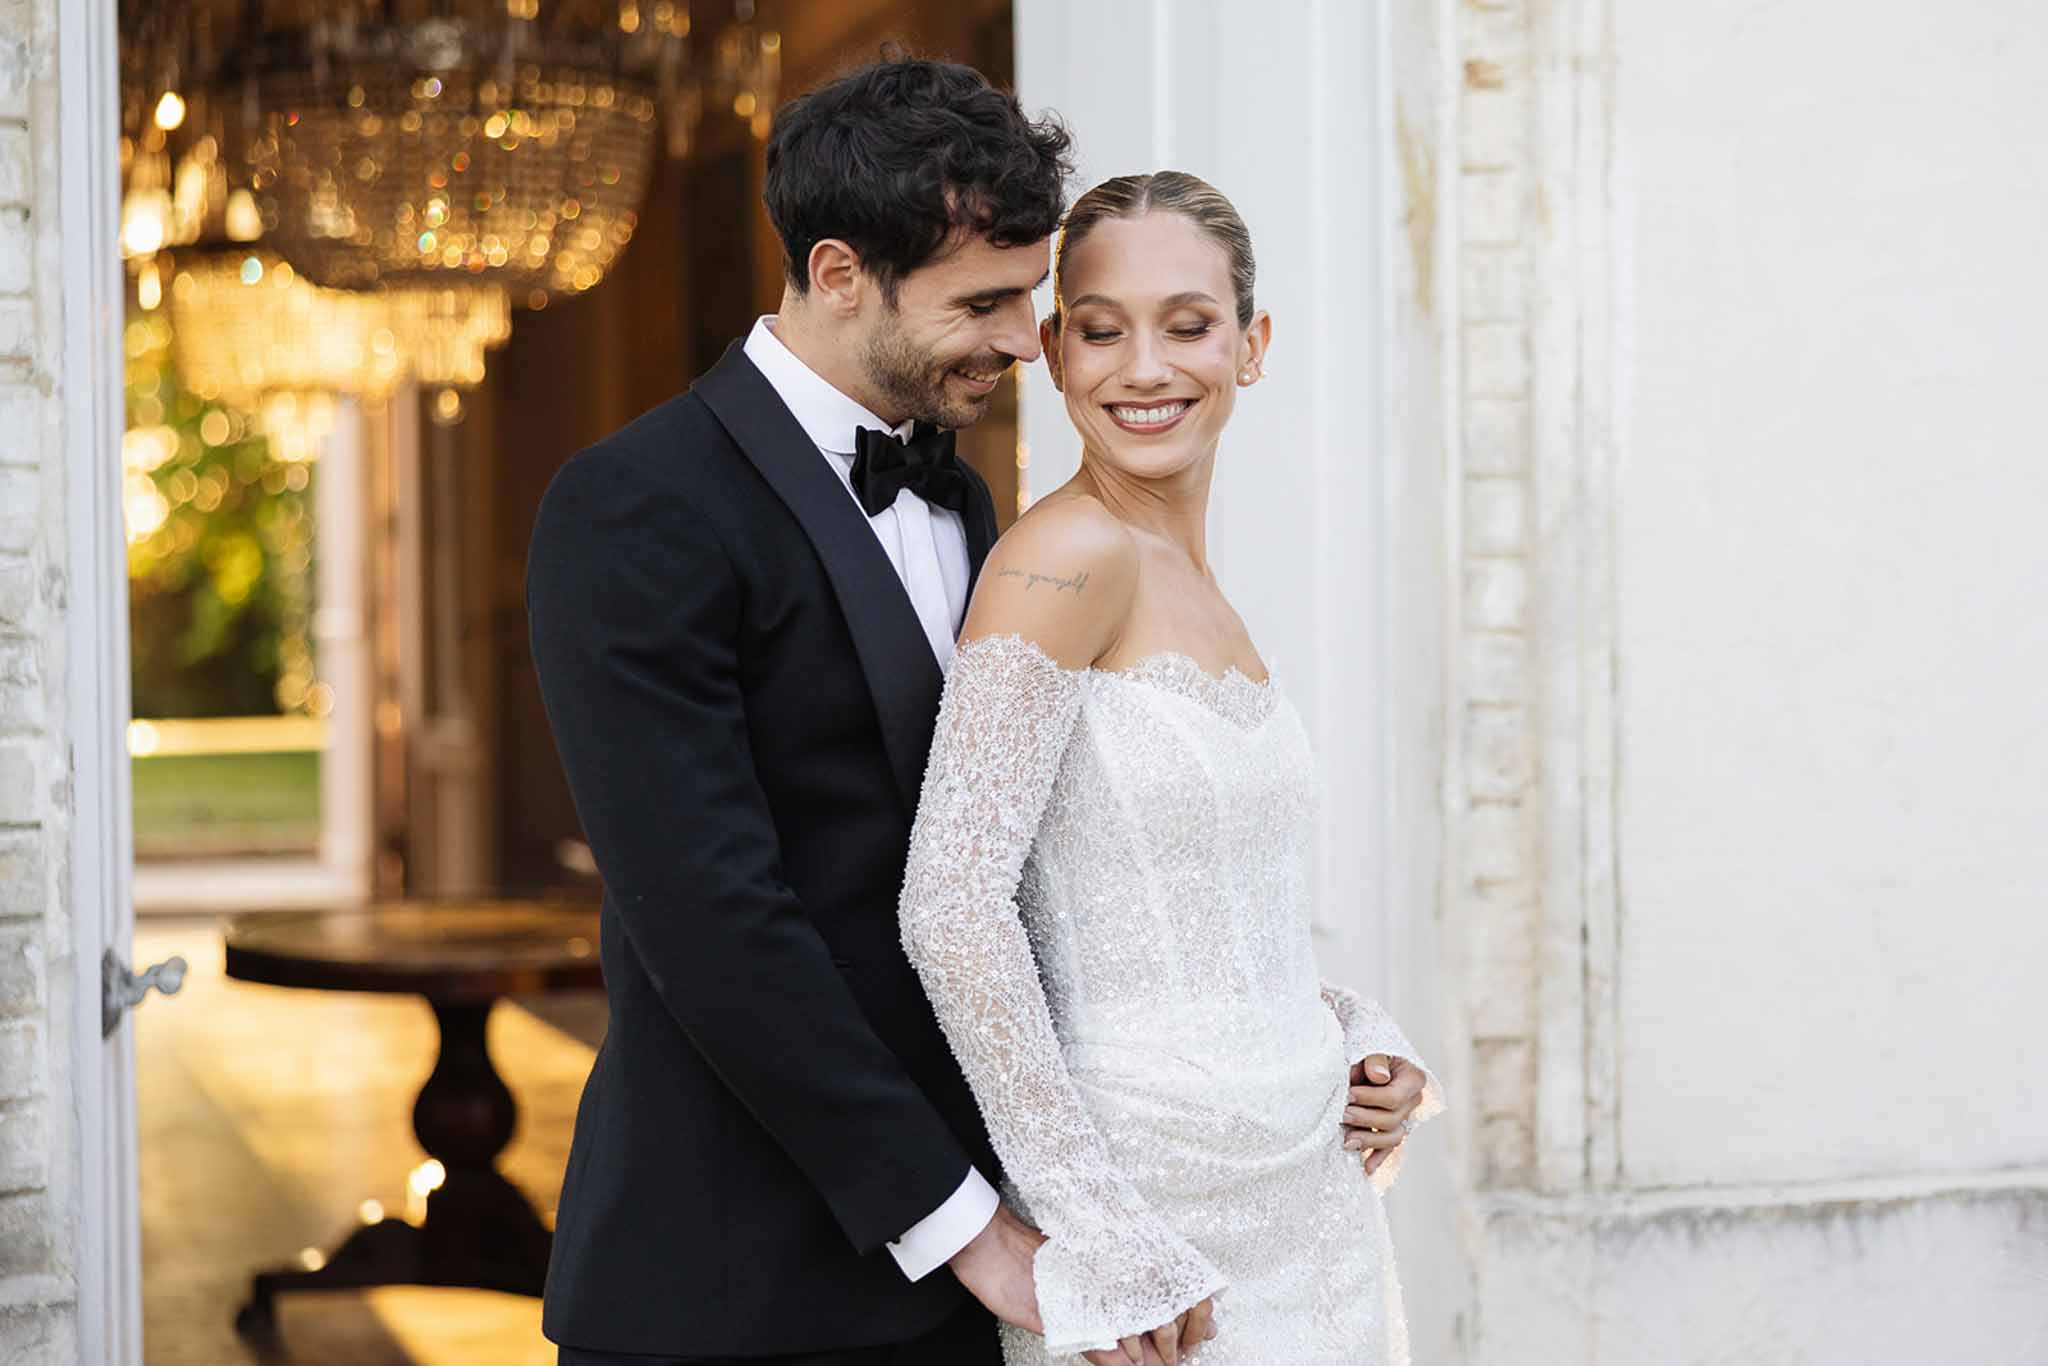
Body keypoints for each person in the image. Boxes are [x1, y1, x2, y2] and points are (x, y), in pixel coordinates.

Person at [524, 59, 1070, 1364]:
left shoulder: (963, 501)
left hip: (951, 1279)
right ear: (838, 275)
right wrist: (963, 1226)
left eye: (1030, 299)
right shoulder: (634, 506)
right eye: (984, 302)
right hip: (731, 1287)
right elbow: (715, 924)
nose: (1022, 340)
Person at [896, 171, 1444, 1366]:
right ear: (1050, 347)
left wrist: (1349, 1038)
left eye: (1187, 325)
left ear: (1249, 346)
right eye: (1100, 330)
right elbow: (950, 907)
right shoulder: (1063, 558)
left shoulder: (1195, 578)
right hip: (1157, 1221)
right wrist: (1092, 1232)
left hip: (1305, 1201)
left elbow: (1208, 904)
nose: (1143, 367)